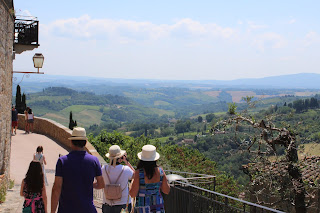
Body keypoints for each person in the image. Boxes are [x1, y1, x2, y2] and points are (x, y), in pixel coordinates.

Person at [51, 127, 105, 213]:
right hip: (87, 209)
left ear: (71, 142)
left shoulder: (62, 161)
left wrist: (52, 211)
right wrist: (89, 184)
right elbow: (101, 184)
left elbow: (57, 188)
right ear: (85, 143)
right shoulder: (94, 161)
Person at [129, 145, 170, 213]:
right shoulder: (160, 172)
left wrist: (132, 181)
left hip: (142, 209)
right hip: (158, 208)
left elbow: (132, 194)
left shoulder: (139, 173)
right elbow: (166, 191)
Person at [102, 145, 135, 213]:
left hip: (107, 204)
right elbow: (135, 176)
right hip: (123, 205)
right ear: (120, 157)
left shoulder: (103, 169)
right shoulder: (126, 169)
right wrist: (126, 162)